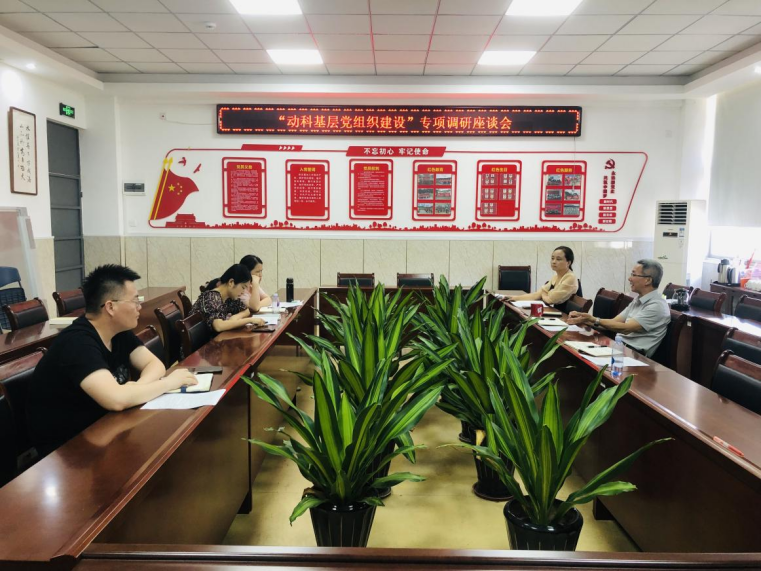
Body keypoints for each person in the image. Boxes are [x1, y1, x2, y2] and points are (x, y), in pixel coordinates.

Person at [27, 265, 198, 457]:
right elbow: (116, 400)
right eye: (135, 301)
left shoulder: (118, 332)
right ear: (110, 307)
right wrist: (168, 383)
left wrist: (137, 387)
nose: (139, 307)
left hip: (104, 430)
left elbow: (154, 364)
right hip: (66, 451)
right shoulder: (78, 343)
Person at [567, 259, 670, 357]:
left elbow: (625, 328)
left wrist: (593, 319)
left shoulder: (657, 306)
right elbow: (613, 323)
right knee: (572, 347)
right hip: (619, 348)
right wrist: (585, 319)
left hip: (634, 356)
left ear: (648, 280)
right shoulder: (638, 299)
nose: (629, 278)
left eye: (634, 275)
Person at [191, 263, 265, 334]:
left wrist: (235, 318)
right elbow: (218, 326)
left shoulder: (228, 298)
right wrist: (249, 320)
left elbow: (246, 311)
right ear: (231, 282)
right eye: (243, 287)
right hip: (203, 342)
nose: (243, 292)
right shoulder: (212, 297)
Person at [507, 246, 579, 313]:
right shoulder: (556, 277)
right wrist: (514, 298)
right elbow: (538, 294)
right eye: (552, 258)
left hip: (566, 317)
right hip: (556, 312)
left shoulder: (570, 278)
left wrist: (544, 294)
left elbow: (551, 300)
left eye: (558, 259)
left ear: (568, 263)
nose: (554, 262)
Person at [202, 254, 272, 313]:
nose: (260, 275)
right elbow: (254, 307)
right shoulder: (237, 289)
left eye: (261, 271)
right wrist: (255, 285)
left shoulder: (247, 285)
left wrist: (258, 304)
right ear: (247, 272)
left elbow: (268, 299)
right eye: (257, 272)